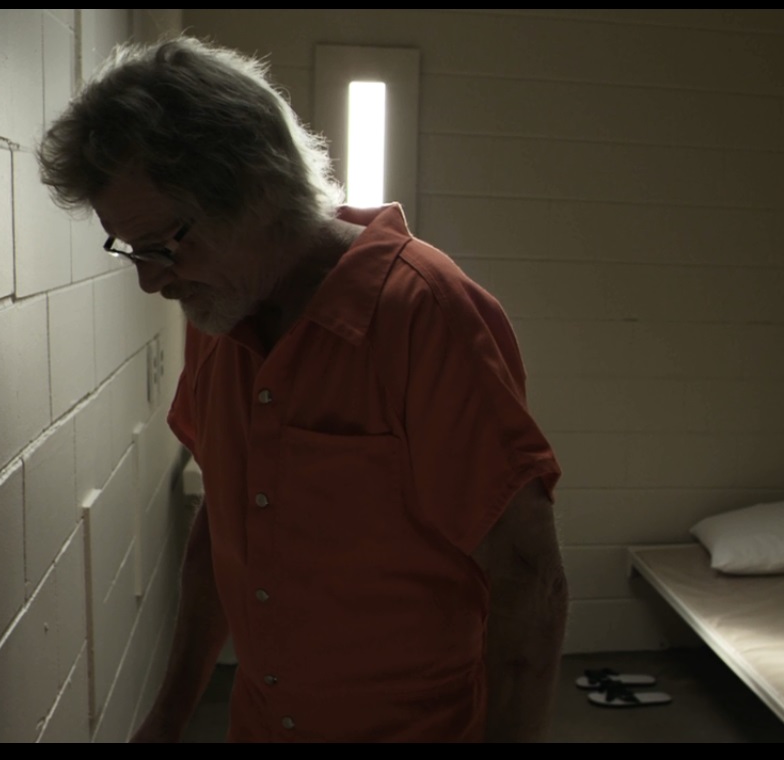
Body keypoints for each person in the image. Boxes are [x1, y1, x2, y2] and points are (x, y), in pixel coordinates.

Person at [38, 37, 567, 742]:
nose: (150, 279)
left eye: (162, 246)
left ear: (255, 190)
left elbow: (529, 578)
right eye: (130, 249)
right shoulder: (219, 314)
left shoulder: (425, 315)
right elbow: (224, 525)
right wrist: (170, 714)